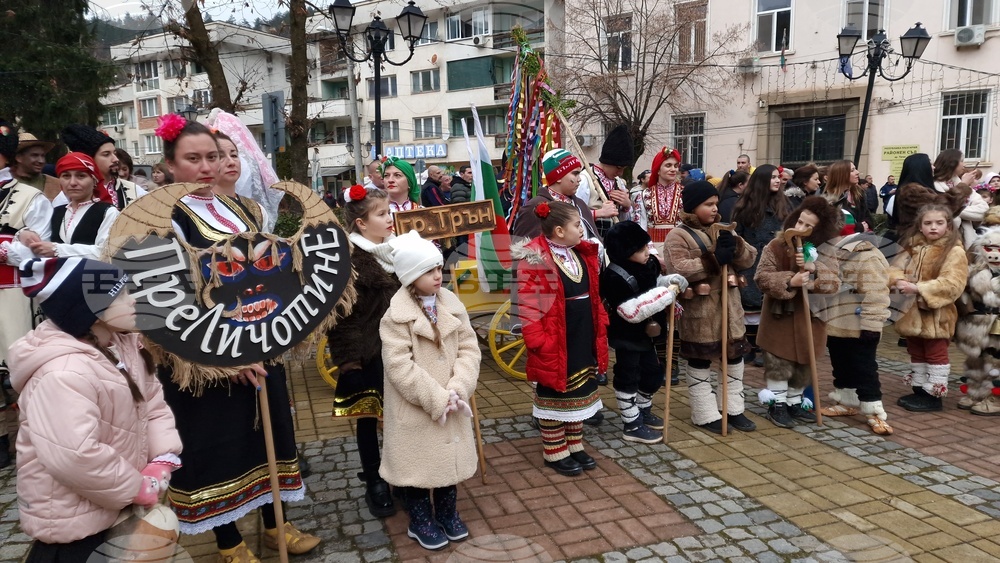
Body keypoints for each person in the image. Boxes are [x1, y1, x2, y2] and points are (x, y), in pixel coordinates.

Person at [157, 116, 319, 561]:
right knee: (217, 445)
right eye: (194, 159)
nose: (207, 166)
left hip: (261, 344)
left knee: (268, 434)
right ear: (171, 165)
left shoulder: (245, 209)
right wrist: (226, 356)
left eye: (213, 156)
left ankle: (275, 526)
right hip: (202, 357)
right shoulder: (162, 220)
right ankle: (228, 542)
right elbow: (164, 301)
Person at [9, 257, 182, 561]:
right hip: (75, 523)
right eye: (121, 295)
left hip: (119, 507)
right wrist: (135, 486)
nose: (134, 301)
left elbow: (153, 405)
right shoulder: (63, 374)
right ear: (89, 312)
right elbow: (75, 455)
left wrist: (161, 458)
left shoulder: (126, 347)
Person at [376, 230, 480, 550]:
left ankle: (447, 513)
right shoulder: (396, 317)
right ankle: (420, 519)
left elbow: (469, 348)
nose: (438, 275)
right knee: (420, 468)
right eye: (428, 271)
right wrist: (437, 397)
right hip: (417, 407)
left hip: (453, 399)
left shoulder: (451, 303)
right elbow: (399, 367)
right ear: (410, 276)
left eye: (438, 268)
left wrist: (458, 386)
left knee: (448, 463)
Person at [514, 201, 607, 475]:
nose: (582, 230)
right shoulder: (536, 260)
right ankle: (554, 450)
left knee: (579, 387)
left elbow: (593, 291)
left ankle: (574, 443)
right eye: (577, 225)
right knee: (555, 389)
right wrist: (538, 341)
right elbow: (530, 306)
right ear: (559, 230)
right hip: (554, 336)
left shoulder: (579, 253)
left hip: (580, 332)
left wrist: (599, 320)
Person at [325, 185, 399, 518]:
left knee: (401, 418)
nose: (390, 219)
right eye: (382, 214)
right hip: (367, 355)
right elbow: (339, 318)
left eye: (389, 212)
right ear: (361, 223)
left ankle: (399, 473)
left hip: (399, 351)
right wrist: (349, 361)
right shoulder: (349, 262)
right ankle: (373, 480)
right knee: (368, 420)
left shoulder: (397, 251)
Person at [664, 181, 758, 434]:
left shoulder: (725, 229)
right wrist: (714, 259)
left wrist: (735, 246)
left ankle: (732, 408)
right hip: (701, 312)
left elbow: (750, 256)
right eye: (708, 204)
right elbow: (679, 268)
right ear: (693, 207)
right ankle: (704, 413)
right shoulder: (678, 235)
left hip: (730, 309)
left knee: (734, 358)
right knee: (700, 361)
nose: (715, 209)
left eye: (716, 204)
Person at [754, 197, 840, 428]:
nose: (800, 229)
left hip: (811, 315)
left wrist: (814, 270)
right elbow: (761, 277)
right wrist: (789, 280)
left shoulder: (827, 251)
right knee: (778, 360)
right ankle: (778, 404)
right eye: (799, 221)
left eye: (807, 226)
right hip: (780, 314)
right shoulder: (775, 246)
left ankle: (794, 402)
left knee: (803, 360)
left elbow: (834, 282)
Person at [600, 221, 687, 444]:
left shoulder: (648, 265)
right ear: (626, 251)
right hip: (627, 335)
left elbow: (655, 284)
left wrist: (670, 281)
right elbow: (630, 311)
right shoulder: (613, 277)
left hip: (649, 335)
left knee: (652, 374)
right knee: (628, 376)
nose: (647, 252)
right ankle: (631, 423)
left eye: (647, 247)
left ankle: (643, 409)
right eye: (641, 250)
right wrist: (666, 294)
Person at [0, 121, 53, 469]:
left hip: (15, 296)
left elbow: (40, 253)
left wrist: (6, 248)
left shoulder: (31, 198)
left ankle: (34, 443)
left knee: (20, 371)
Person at [890, 204, 968, 412]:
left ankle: (934, 395)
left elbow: (953, 283)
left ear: (949, 226)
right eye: (928, 223)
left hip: (937, 315)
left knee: (935, 353)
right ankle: (919, 389)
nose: (933, 227)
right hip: (911, 313)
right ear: (920, 226)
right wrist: (897, 280)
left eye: (939, 223)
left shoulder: (954, 251)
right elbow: (895, 268)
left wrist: (918, 288)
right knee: (916, 349)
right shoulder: (912, 246)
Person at [818, 222, 894, 434]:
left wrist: (871, 324)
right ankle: (846, 400)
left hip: (860, 325)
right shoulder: (832, 253)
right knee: (841, 364)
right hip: (836, 322)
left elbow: (876, 292)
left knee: (864, 367)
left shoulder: (867, 256)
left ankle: (874, 410)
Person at [733, 164, 792, 365]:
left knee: (772, 305)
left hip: (776, 262)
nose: (777, 180)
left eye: (778, 177)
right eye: (773, 177)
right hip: (751, 263)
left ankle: (768, 349)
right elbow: (737, 236)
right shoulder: (744, 206)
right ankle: (749, 346)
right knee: (750, 306)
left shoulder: (785, 204)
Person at [31, 152, 120, 261]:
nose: (72, 182)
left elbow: (106, 252)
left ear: (94, 181)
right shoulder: (56, 212)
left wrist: (57, 249)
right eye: (66, 176)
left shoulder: (107, 212)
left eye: (81, 176)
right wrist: (25, 234)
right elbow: (40, 242)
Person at [956, 227, 1000, 414]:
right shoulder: (974, 271)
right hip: (978, 323)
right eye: (989, 248)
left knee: (996, 363)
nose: (995, 254)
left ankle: (994, 398)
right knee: (977, 359)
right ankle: (976, 392)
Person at [59, 124, 147, 210]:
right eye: (106, 154)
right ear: (90, 160)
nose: (115, 159)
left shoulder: (134, 190)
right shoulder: (69, 196)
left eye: (115, 153)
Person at [579, 124, 635, 238]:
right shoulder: (585, 178)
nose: (620, 173)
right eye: (618, 168)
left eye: (624, 169)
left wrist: (626, 206)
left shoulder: (619, 183)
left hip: (614, 243)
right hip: (591, 238)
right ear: (607, 161)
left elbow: (624, 219)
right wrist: (598, 213)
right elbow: (573, 215)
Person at [934, 149, 988, 248]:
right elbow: (943, 211)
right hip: (944, 241)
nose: (964, 165)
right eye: (962, 161)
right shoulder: (934, 185)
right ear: (952, 163)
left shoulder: (958, 182)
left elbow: (984, 210)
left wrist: (957, 212)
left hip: (966, 240)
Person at [637, 147, 684, 243]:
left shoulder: (685, 193)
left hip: (679, 246)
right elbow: (641, 226)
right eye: (668, 165)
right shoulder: (645, 194)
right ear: (658, 170)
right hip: (652, 248)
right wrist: (651, 252)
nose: (673, 169)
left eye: (676, 166)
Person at [821, 160, 873, 233]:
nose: (857, 172)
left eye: (855, 169)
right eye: (852, 170)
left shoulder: (859, 194)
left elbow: (867, 216)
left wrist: (867, 224)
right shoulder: (829, 199)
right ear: (841, 175)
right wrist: (858, 228)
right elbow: (831, 227)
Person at [12, 132, 59, 198]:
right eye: (34, 155)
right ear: (18, 158)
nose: (41, 161)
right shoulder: (5, 184)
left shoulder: (56, 184)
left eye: (43, 156)